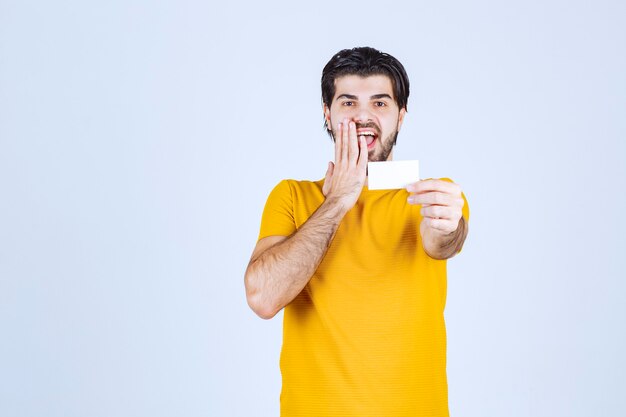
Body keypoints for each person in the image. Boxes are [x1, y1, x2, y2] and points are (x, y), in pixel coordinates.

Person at [244, 46, 470, 417]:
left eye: (380, 104)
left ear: (401, 115)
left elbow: (444, 240)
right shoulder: (292, 196)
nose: (364, 116)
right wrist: (338, 201)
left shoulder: (433, 196)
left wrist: (449, 225)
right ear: (327, 114)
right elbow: (263, 298)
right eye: (348, 103)